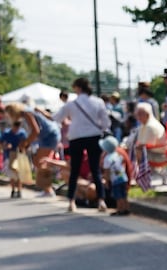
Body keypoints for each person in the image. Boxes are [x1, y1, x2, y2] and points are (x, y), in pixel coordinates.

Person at [53, 77, 111, 213]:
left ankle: (71, 201)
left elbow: (57, 117)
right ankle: (101, 200)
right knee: (95, 169)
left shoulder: (71, 104)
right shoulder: (98, 102)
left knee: (74, 170)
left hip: (76, 137)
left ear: (78, 88)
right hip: (94, 136)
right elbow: (106, 123)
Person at [100, 136, 133, 215]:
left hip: (115, 180)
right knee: (124, 195)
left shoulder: (107, 159)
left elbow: (107, 172)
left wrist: (107, 181)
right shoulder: (119, 155)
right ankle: (126, 209)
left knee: (118, 196)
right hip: (123, 177)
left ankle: (120, 209)